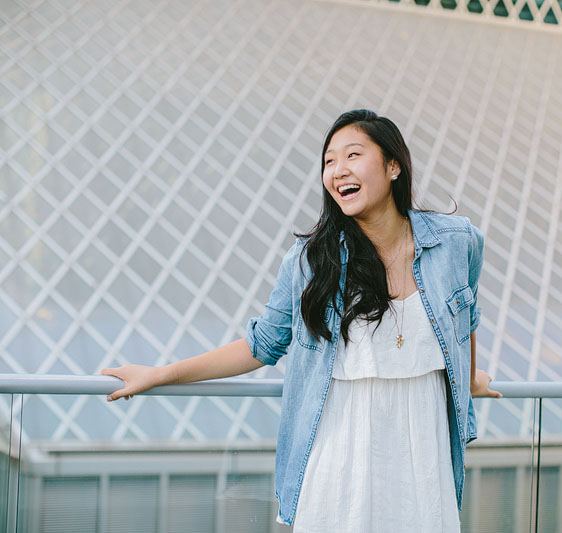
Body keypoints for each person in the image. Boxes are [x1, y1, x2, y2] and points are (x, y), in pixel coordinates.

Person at [101, 109, 501, 531]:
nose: (337, 170)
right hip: (338, 451)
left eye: (352, 155)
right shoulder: (312, 261)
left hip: (423, 451)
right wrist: (161, 374)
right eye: (329, 161)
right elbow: (261, 346)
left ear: (393, 165)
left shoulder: (457, 243)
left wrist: (467, 378)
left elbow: (464, 320)